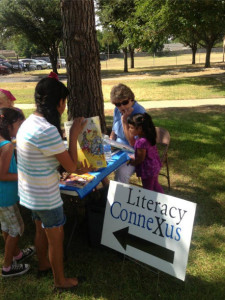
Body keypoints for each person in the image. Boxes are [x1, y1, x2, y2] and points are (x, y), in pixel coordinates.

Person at [16, 72, 89, 290]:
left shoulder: (28, 123)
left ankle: (44, 265)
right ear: (58, 103)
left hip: (30, 194)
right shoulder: (48, 130)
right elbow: (71, 167)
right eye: (64, 101)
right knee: (56, 236)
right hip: (46, 196)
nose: (64, 106)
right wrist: (74, 134)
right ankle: (60, 281)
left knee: (40, 230)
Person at [0, 108, 35, 278]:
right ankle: (7, 267)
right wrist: (24, 174)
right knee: (17, 228)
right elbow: (3, 174)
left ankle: (17, 255)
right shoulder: (6, 147)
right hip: (5, 196)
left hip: (2, 198)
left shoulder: (4, 143)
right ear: (8, 125)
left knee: (6, 227)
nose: (21, 129)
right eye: (19, 125)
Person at [109, 83, 145, 183]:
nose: (122, 107)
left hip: (133, 152)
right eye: (118, 104)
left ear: (131, 99)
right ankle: (103, 191)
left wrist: (124, 120)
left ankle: (119, 197)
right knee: (98, 163)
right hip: (117, 149)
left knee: (121, 173)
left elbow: (132, 142)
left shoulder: (139, 112)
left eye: (125, 102)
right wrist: (110, 143)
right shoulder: (117, 110)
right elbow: (114, 130)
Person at [127, 113, 164, 193]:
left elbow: (141, 158)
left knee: (148, 190)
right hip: (154, 166)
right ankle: (162, 198)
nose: (129, 129)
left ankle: (151, 202)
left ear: (140, 128)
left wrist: (133, 163)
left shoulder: (141, 142)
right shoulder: (148, 136)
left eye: (131, 127)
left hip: (148, 170)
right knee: (155, 185)